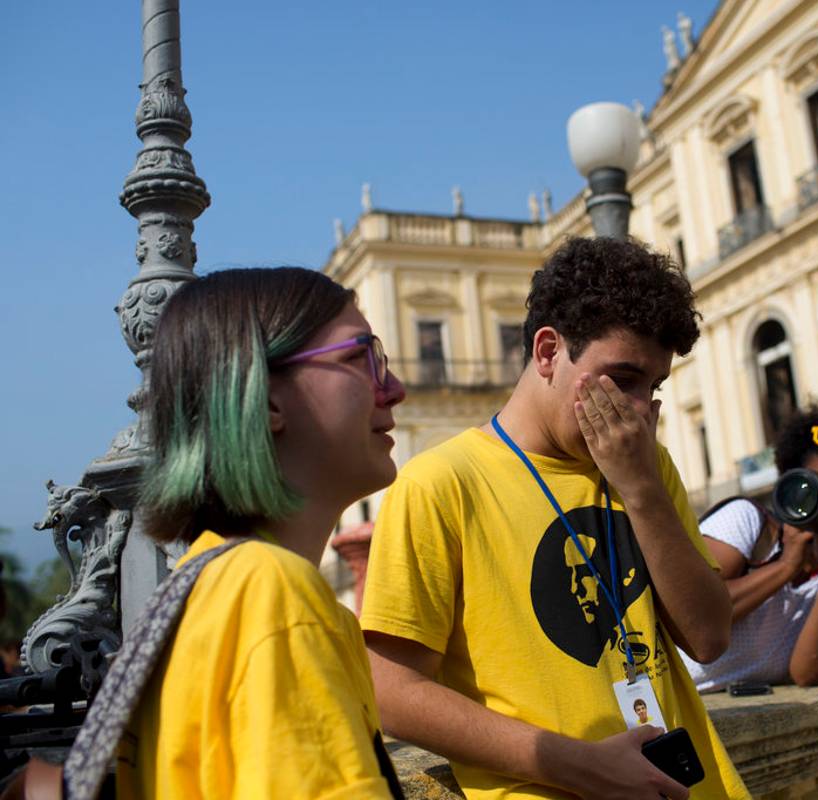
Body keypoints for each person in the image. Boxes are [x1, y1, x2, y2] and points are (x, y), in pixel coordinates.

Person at [361, 237, 750, 800]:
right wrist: (581, 765)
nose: (640, 409)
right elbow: (391, 690)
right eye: (623, 378)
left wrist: (640, 490)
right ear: (548, 352)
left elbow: (710, 637)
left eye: (654, 386)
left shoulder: (646, 466)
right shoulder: (440, 485)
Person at [104, 268, 405, 798]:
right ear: (264, 399)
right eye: (361, 358)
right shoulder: (274, 594)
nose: (394, 389)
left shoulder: (209, 583)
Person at [680, 400, 818, 692]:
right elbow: (696, 616)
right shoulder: (746, 521)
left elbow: (808, 672)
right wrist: (786, 566)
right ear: (790, 482)